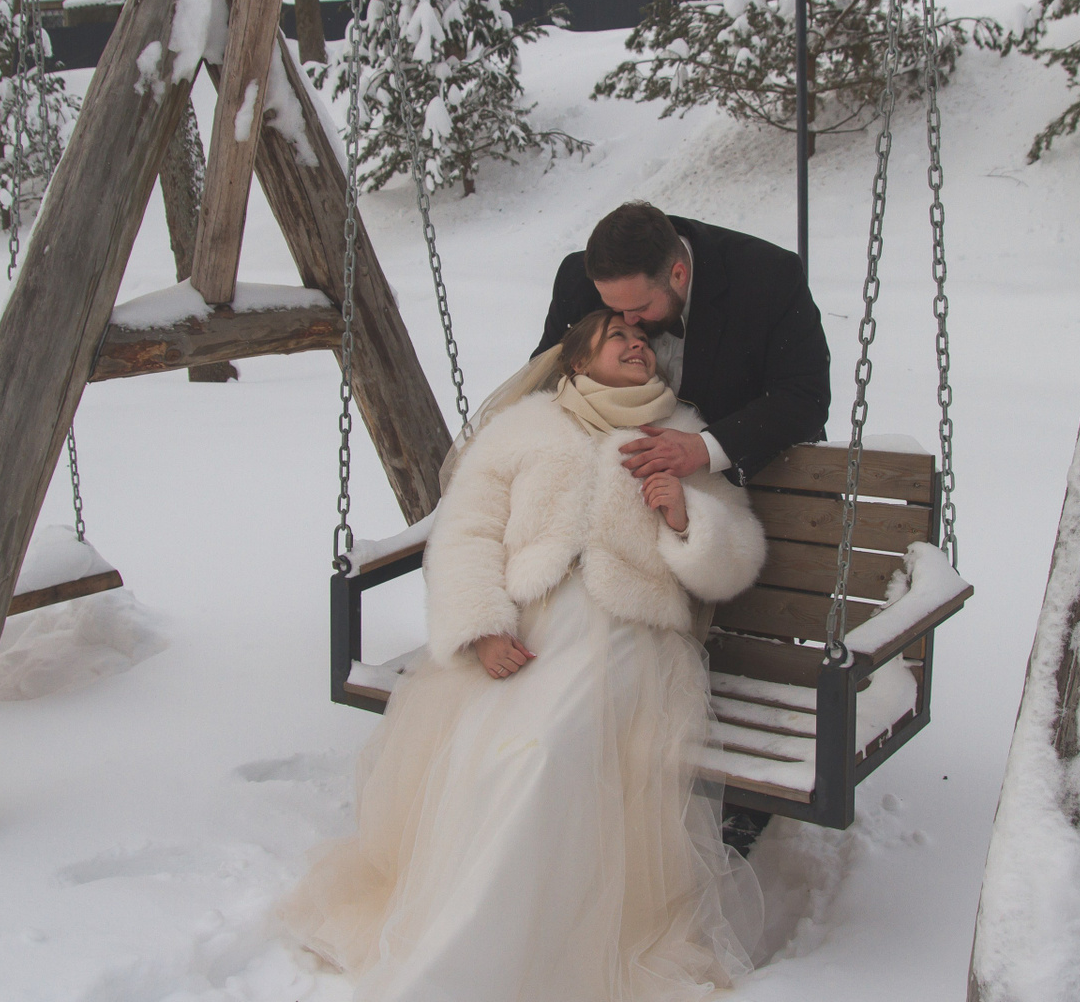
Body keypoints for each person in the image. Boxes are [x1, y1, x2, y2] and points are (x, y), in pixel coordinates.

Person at [283, 310, 769, 1002]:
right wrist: (481, 628)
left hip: (627, 632)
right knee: (486, 752)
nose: (637, 345)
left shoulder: (682, 436)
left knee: (545, 751)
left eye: (641, 339)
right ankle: (458, 933)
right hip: (524, 625)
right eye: (617, 338)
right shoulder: (524, 430)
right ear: (577, 362)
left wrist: (688, 518)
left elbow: (735, 560)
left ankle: (501, 954)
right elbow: (467, 532)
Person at [535, 202, 831, 488]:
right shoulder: (579, 279)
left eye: (640, 307)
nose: (628, 320)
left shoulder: (768, 277)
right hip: (611, 487)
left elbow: (804, 397)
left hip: (762, 492)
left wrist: (704, 447)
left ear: (678, 274)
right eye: (614, 309)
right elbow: (545, 379)